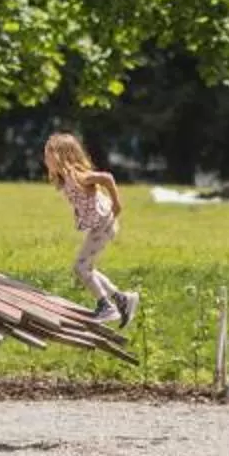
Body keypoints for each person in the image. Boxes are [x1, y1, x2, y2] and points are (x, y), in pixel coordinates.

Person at [44, 132, 138, 329]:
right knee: (87, 268)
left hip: (103, 225)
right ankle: (122, 299)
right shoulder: (66, 178)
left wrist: (117, 203)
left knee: (80, 267)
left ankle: (106, 306)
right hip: (100, 225)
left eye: (48, 155)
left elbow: (107, 178)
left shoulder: (77, 175)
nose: (45, 160)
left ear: (62, 156)